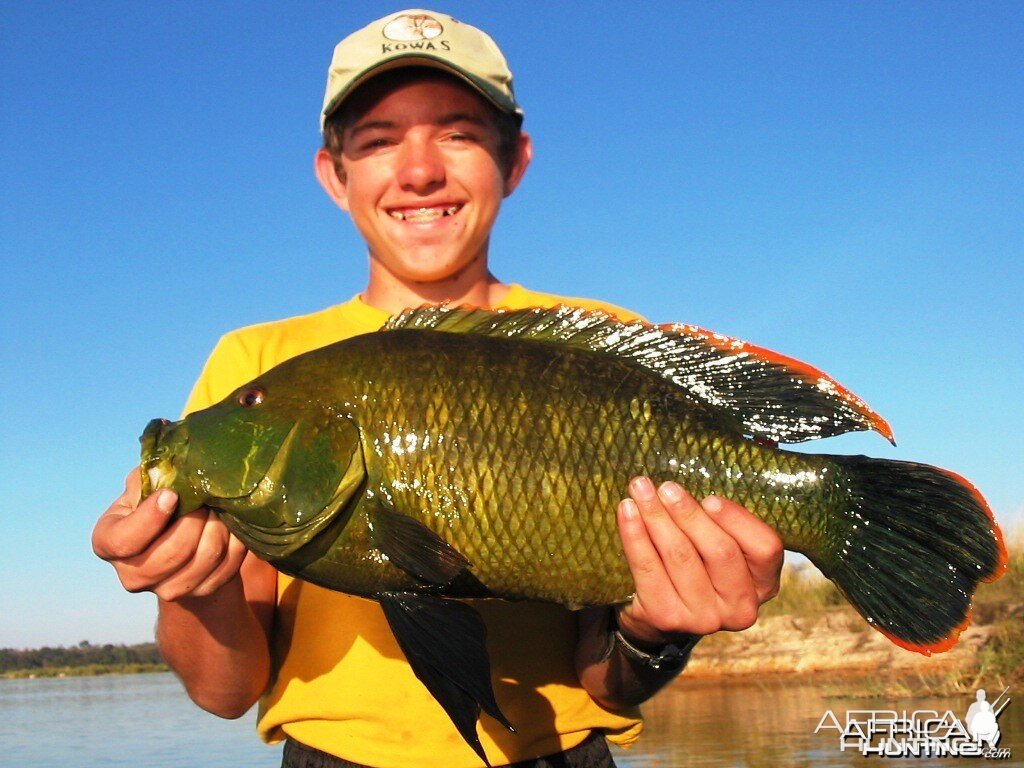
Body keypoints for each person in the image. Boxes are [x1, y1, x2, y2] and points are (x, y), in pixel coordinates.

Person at [92, 10, 783, 768]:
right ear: (334, 173)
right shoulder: (254, 359)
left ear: (514, 160)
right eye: (379, 140)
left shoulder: (600, 345)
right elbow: (226, 691)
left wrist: (657, 631)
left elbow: (608, 684)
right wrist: (189, 586)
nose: (419, 171)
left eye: (456, 133)